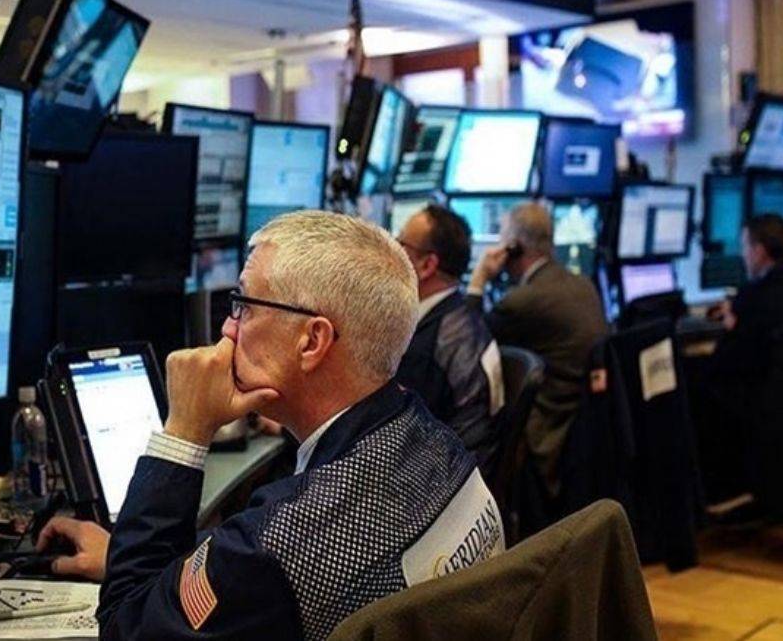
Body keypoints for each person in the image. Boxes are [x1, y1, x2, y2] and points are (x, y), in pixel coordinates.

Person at [38, 211, 504, 641]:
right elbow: (253, 569)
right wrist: (131, 557)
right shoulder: (434, 442)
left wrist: (184, 431)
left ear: (312, 340)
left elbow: (125, 626)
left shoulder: (279, 548)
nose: (228, 328)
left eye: (243, 304)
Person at [465, 202, 607, 497]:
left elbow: (468, 342)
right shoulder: (584, 285)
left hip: (546, 432)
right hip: (583, 431)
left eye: (503, 239)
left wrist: (479, 280)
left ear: (514, 247)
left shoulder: (523, 301)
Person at [394, 206, 503, 482]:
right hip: (467, 477)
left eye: (400, 243)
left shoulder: (424, 348)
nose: (392, 250)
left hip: (440, 487)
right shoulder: (460, 318)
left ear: (427, 266)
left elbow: (391, 438)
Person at [711, 214, 783, 373]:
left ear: (759, 251)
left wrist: (730, 323)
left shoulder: (753, 296)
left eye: (745, 247)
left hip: (770, 384)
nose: (743, 255)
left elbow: (724, 363)